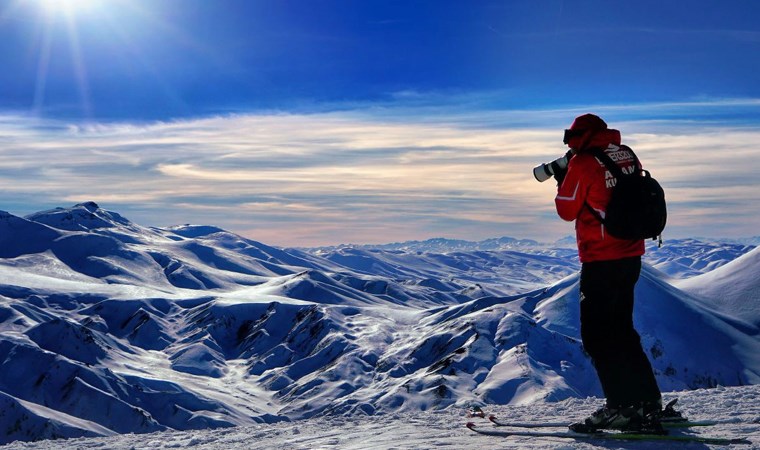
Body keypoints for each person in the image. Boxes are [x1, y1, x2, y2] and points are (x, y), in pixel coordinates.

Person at [552, 113, 675, 432]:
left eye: (570, 137)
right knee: (622, 330)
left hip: (601, 258)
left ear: (579, 136)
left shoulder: (583, 163)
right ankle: (647, 402)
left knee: (598, 336)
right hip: (630, 255)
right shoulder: (626, 154)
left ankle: (621, 407)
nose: (569, 144)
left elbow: (566, 209)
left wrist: (562, 178)